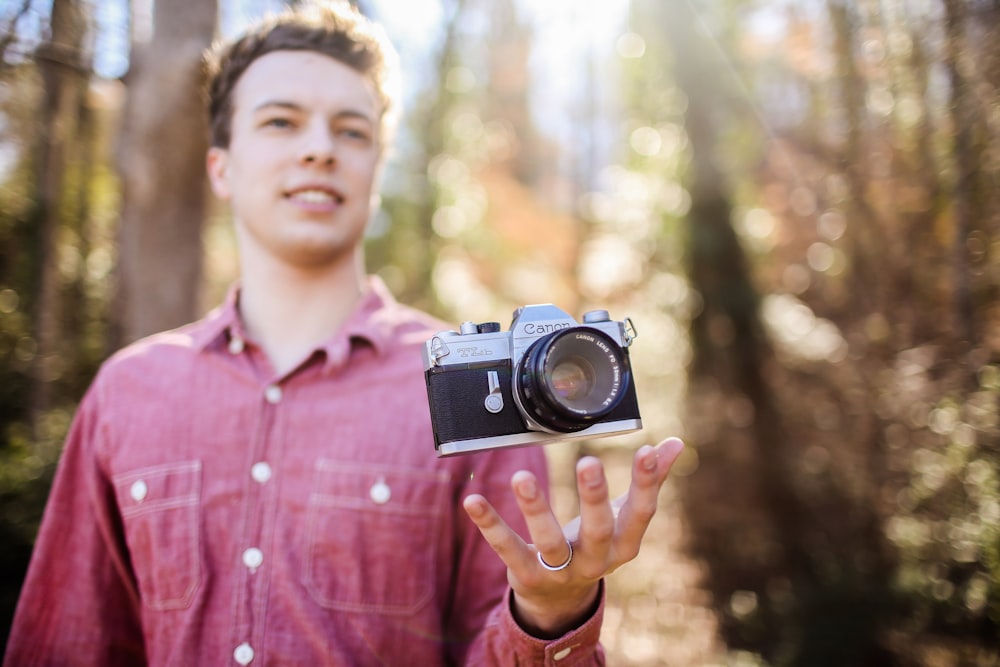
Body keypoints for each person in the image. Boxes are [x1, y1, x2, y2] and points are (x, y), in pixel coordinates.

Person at [3, 2, 684, 665]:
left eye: (352, 130)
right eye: (280, 122)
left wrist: (549, 615)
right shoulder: (127, 392)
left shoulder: (481, 396)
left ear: (376, 171)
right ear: (221, 167)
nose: (320, 149)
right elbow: (64, 642)